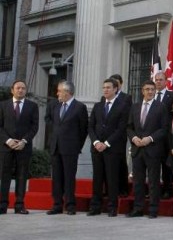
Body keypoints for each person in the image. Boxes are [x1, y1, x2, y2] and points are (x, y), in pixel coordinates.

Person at [87, 78, 129, 217]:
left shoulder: (122, 106)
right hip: (97, 148)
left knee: (112, 179)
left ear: (115, 89)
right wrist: (96, 142)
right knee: (97, 178)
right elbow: (91, 126)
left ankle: (112, 207)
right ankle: (95, 206)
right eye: (104, 87)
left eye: (108, 87)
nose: (105, 90)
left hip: (112, 149)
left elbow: (121, 128)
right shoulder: (98, 106)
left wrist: (107, 143)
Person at [126, 80, 168, 218]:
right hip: (137, 149)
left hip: (153, 149)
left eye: (152, 89)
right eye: (147, 89)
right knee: (138, 181)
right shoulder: (135, 107)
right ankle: (138, 209)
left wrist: (150, 138)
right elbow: (129, 127)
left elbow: (164, 129)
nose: (150, 92)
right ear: (142, 91)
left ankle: (153, 209)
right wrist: (134, 138)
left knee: (153, 181)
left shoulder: (160, 107)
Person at [47, 81, 88, 215]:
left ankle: (70, 205)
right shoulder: (54, 105)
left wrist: (77, 145)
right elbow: (49, 120)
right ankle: (57, 205)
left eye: (59, 91)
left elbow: (83, 129)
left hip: (71, 148)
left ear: (68, 92)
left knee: (69, 177)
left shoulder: (79, 107)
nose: (57, 93)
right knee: (57, 177)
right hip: (55, 147)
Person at [0, 80, 38, 215]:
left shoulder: (32, 106)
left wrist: (24, 141)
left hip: (23, 147)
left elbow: (34, 127)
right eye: (18, 88)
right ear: (12, 90)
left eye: (23, 88)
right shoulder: (3, 105)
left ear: (25, 90)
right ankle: (2, 205)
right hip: (6, 146)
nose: (20, 90)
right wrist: (8, 140)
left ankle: (19, 205)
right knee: (4, 176)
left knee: (22, 176)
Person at [108, 74, 132, 197]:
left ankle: (123, 188)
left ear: (120, 84)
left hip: (120, 135)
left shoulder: (126, 97)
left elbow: (126, 116)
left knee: (121, 162)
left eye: (116, 83)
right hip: (107, 136)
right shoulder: (105, 98)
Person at [154, 71, 173, 199]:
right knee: (153, 165)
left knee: (166, 165)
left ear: (166, 81)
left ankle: (167, 189)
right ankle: (154, 189)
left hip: (167, 136)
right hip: (152, 136)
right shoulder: (150, 95)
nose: (158, 82)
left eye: (160, 80)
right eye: (156, 80)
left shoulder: (172, 96)